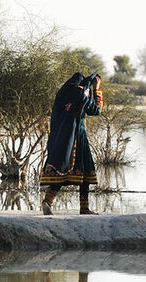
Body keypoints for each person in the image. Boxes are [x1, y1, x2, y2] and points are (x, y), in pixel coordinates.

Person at [39, 72, 103, 215]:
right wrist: (96, 89)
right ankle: (84, 208)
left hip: (62, 140)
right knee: (85, 170)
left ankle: (47, 201)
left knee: (61, 171)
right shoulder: (81, 95)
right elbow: (96, 110)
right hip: (79, 138)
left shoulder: (62, 94)